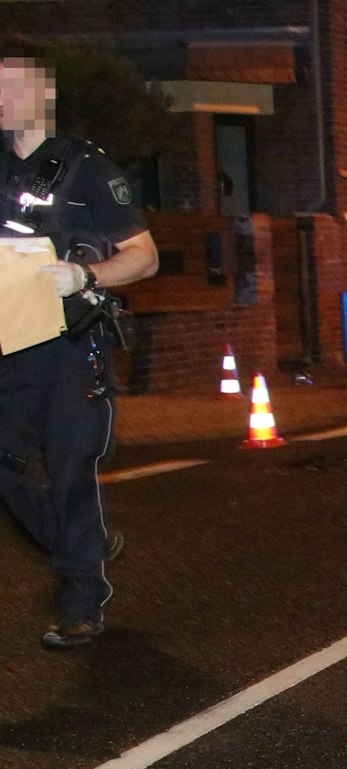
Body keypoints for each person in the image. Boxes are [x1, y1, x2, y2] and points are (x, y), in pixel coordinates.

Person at [0, 52, 158, 648]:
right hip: (10, 341)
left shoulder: (86, 168)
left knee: (70, 471)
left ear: (44, 95)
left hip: (70, 343)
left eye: (13, 88)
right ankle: (77, 542)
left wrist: (85, 276)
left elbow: (145, 256)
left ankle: (81, 601)